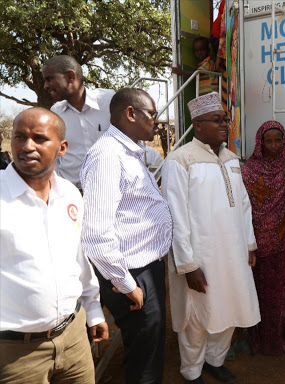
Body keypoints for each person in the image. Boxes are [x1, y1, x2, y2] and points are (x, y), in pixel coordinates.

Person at [0, 108, 108, 383]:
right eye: (19, 137)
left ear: (62, 147)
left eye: (39, 138)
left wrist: (93, 311)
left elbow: (79, 259)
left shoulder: (71, 195)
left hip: (73, 339)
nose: (27, 146)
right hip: (15, 353)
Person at [161, 92, 260, 384]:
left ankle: (215, 360)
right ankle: (192, 371)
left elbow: (243, 206)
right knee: (196, 316)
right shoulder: (180, 160)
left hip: (233, 252)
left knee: (229, 306)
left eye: (225, 120)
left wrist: (250, 244)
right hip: (199, 255)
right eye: (217, 120)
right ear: (198, 125)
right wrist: (187, 265)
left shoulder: (231, 159)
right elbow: (175, 216)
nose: (224, 125)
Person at [80, 88, 174, 384]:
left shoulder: (129, 151)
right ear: (130, 114)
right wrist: (125, 283)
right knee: (144, 357)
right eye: (153, 114)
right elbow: (96, 232)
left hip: (145, 267)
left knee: (148, 344)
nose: (157, 122)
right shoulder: (107, 155)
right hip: (131, 273)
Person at [242, 120, 285, 355]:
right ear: (260, 142)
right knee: (257, 292)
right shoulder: (249, 169)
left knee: (280, 293)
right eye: (268, 141)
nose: (273, 145)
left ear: (284, 142)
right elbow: (243, 208)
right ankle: (256, 339)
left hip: (283, 242)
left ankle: (276, 338)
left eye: (277, 140)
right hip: (257, 244)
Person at [42, 55, 114, 188]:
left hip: (109, 192)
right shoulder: (56, 112)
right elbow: (55, 156)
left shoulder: (110, 102)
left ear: (70, 76)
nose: (46, 86)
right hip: (70, 197)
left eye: (49, 79)